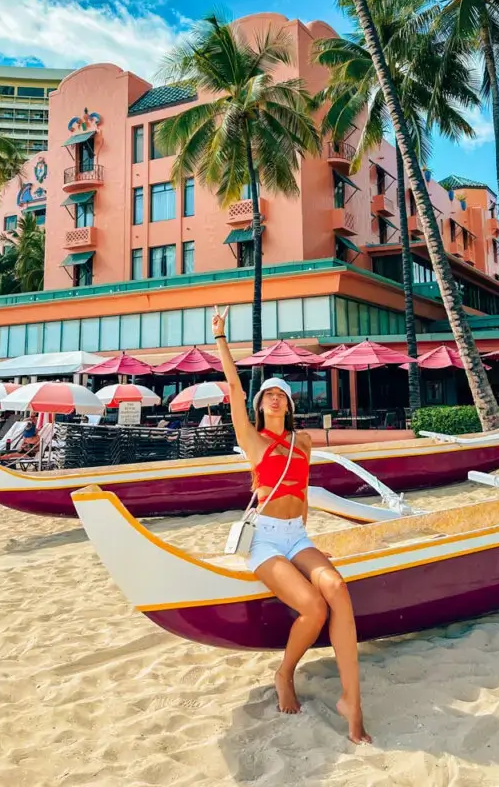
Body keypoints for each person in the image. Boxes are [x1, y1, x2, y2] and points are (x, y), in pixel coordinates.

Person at [212, 306, 370, 744]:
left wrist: (311, 552)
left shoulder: (303, 441)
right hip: (265, 541)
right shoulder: (253, 439)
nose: (275, 398)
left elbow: (301, 495)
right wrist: (222, 339)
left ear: (291, 403)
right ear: (261, 406)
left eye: (282, 393)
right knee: (314, 608)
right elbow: (234, 388)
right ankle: (285, 674)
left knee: (337, 589)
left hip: (298, 537)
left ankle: (351, 701)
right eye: (269, 395)